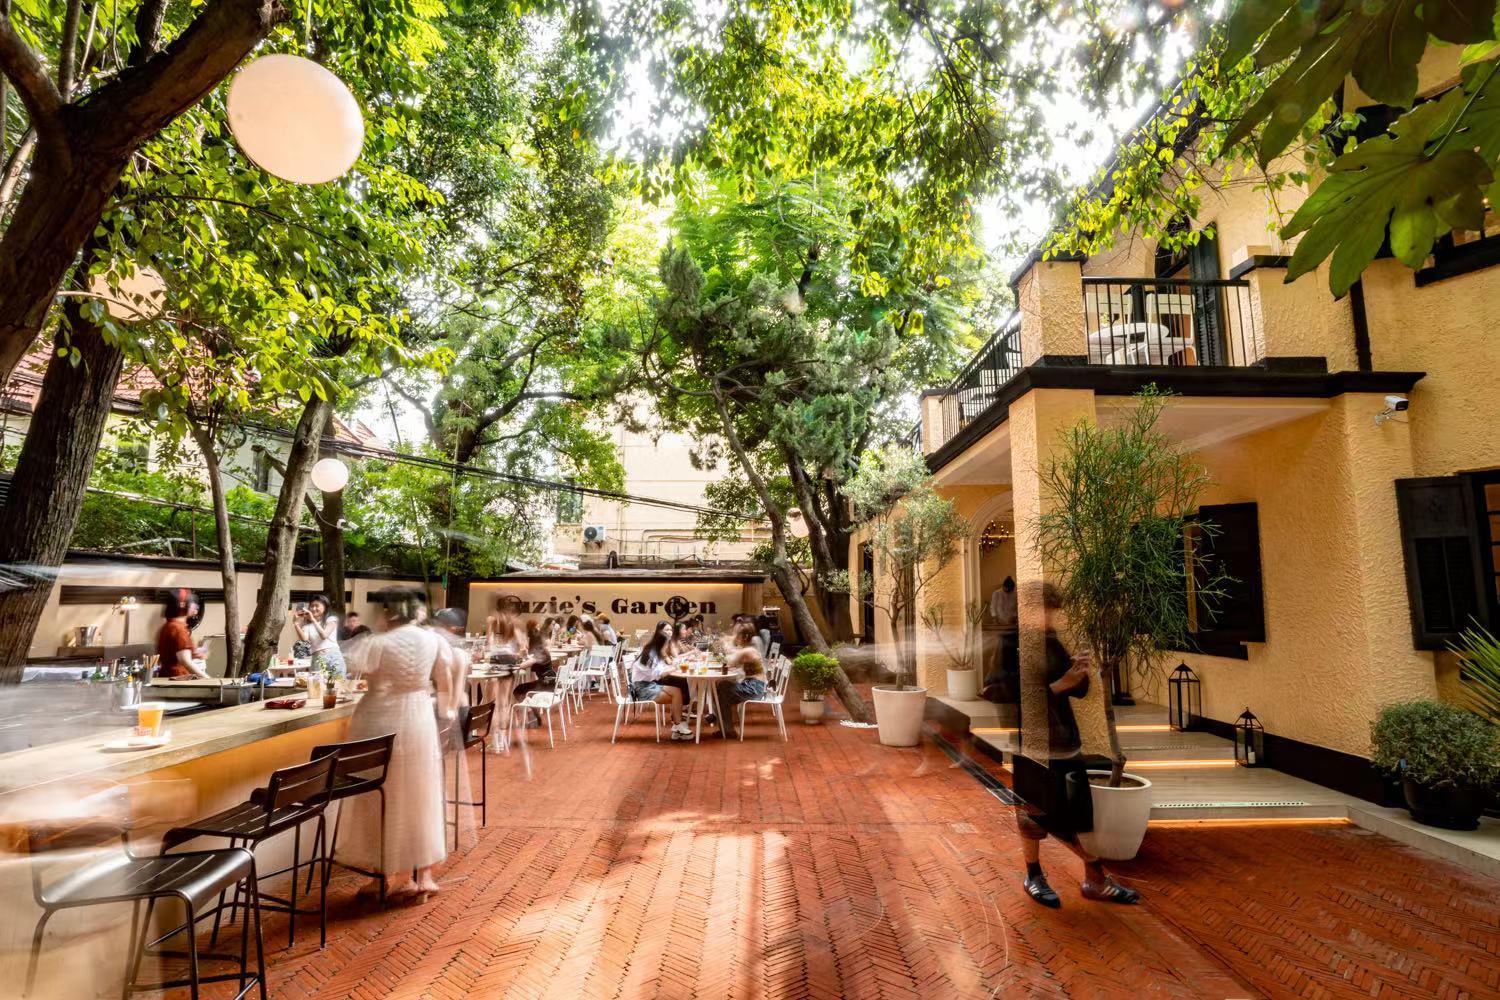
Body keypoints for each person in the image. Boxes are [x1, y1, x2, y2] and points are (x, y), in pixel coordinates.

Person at [1014, 582, 1140, 908]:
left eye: (1052, 610)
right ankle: (1034, 874)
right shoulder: (1018, 647)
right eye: (1044, 610)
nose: (1049, 617)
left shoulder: (1052, 642)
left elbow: (1076, 691)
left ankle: (1093, 879)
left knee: (1079, 814)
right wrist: (1062, 683)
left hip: (1066, 741)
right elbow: (1015, 695)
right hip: (1036, 745)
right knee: (1034, 814)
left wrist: (1080, 674)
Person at [338, 586, 461, 898]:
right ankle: (424, 876)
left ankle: (381, 876)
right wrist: (446, 712)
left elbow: (354, 671)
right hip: (418, 718)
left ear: (388, 612)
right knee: (420, 793)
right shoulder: (432, 640)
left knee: (377, 797)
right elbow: (445, 678)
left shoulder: (377, 642)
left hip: (379, 721)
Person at [630, 624, 692, 741]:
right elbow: (658, 674)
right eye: (666, 644)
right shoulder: (650, 655)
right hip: (642, 688)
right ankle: (677, 725)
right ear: (660, 644)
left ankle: (677, 725)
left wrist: (673, 667)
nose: (667, 646)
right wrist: (674, 668)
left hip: (649, 684)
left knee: (677, 691)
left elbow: (660, 669)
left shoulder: (654, 653)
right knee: (676, 695)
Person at [153, 589, 208, 678]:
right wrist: (208, 680)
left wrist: (193, 654)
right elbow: (185, 661)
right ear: (182, 605)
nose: (195, 606)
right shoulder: (178, 629)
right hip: (178, 679)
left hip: (166, 677)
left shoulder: (167, 626)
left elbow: (175, 655)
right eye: (191, 602)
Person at [715, 647, 769, 738]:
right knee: (723, 694)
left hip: (754, 689)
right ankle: (726, 730)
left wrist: (727, 650)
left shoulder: (748, 652)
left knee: (722, 685)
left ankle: (724, 726)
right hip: (755, 686)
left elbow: (730, 662)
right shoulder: (750, 651)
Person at [294, 593, 346, 677]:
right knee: (318, 684)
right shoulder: (308, 625)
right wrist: (296, 624)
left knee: (337, 683)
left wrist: (313, 619)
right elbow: (304, 638)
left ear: (325, 607)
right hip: (317, 658)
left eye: (317, 606)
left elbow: (324, 635)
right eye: (312, 606)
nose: (314, 609)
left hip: (333, 656)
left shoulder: (331, 620)